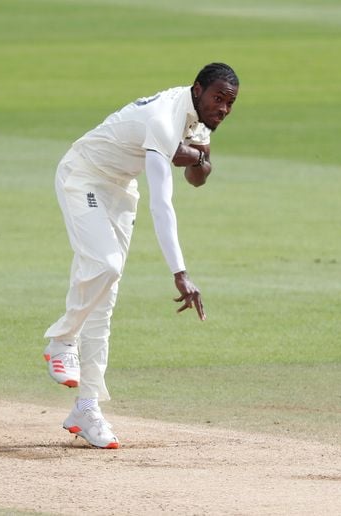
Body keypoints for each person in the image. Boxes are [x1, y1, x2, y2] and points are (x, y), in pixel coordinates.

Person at [42, 63, 239, 449]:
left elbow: (196, 178)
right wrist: (180, 272)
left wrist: (197, 157)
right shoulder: (164, 120)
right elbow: (162, 203)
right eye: (218, 98)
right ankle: (62, 340)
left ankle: (87, 408)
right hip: (84, 177)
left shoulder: (199, 121)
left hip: (119, 191)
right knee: (106, 265)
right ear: (197, 89)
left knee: (105, 296)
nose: (223, 109)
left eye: (230, 103)